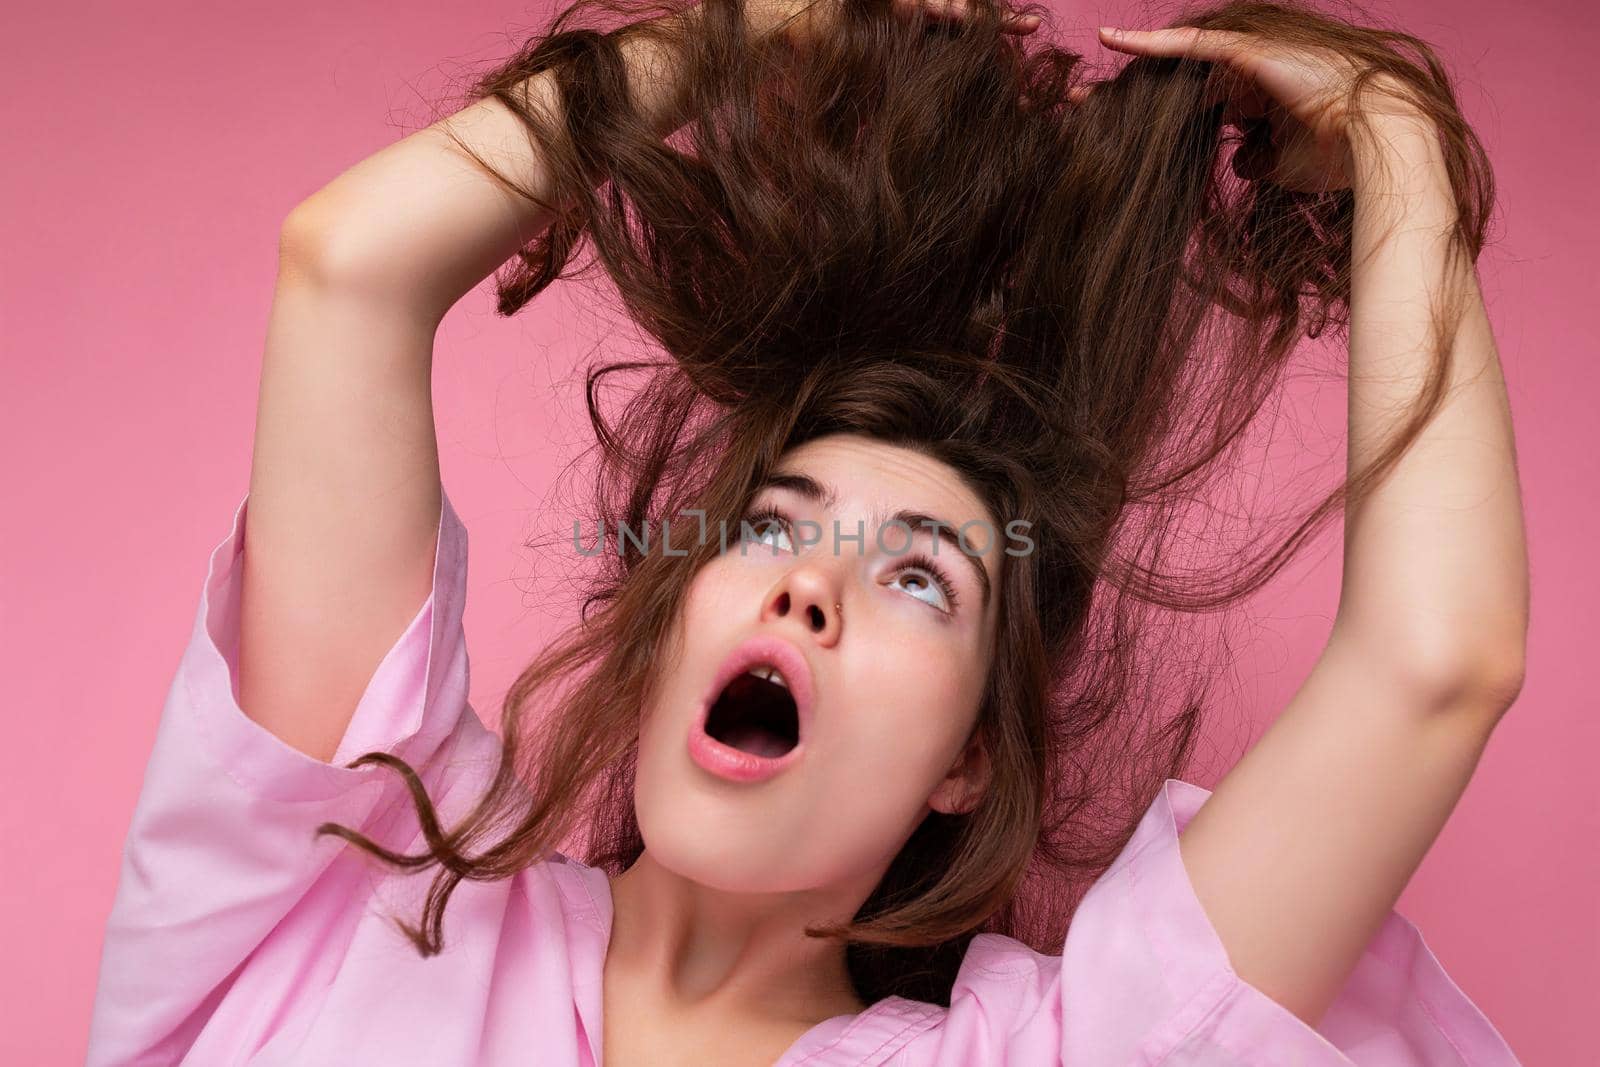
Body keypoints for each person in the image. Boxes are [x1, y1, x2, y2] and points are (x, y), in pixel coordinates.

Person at [86, 0, 1529, 1063]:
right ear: (677, 623)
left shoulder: (1061, 1051)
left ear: (971, 758)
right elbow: (349, 272)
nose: (814, 591)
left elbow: (1436, 666)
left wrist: (1394, 146)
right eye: (772, 533)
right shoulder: (358, 880)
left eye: (918, 576)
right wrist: (731, 36)